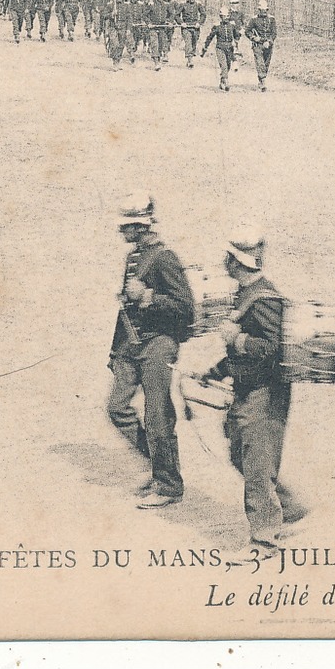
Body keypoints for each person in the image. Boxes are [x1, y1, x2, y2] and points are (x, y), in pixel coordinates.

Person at [203, 229, 307, 551]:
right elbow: (241, 352)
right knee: (240, 454)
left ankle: (263, 540)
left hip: (265, 393)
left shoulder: (264, 299)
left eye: (229, 257)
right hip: (248, 389)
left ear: (238, 262)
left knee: (257, 466)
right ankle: (288, 509)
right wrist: (215, 371)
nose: (224, 262)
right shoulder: (246, 293)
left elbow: (271, 349)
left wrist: (237, 339)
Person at [107, 194, 195, 510]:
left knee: (157, 416)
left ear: (139, 226)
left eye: (125, 227)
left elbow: (187, 310)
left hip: (159, 344)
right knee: (117, 408)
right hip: (131, 345)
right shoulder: (134, 257)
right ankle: (161, 469)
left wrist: (149, 297)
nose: (121, 232)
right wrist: (115, 354)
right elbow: (126, 311)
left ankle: (169, 485)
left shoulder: (164, 258)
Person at [201, 7, 243, 91]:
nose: (226, 18)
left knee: (228, 66)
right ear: (221, 16)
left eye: (227, 16)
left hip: (229, 48)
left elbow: (236, 35)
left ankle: (222, 81)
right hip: (220, 48)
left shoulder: (232, 25)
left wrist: (239, 34)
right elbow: (210, 37)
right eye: (224, 16)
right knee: (223, 65)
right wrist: (205, 47)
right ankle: (226, 81)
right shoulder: (217, 26)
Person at [245, 0, 276, 90]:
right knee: (260, 62)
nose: (263, 12)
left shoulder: (271, 19)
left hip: (268, 44)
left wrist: (269, 41)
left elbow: (274, 33)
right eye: (262, 10)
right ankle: (263, 80)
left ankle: (261, 79)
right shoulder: (254, 19)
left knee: (266, 63)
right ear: (259, 10)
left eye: (265, 10)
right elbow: (247, 31)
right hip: (257, 44)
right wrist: (254, 38)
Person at [178, 0, 205, 69]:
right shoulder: (183, 5)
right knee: (188, 42)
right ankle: (190, 60)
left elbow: (203, 14)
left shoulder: (198, 5)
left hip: (195, 27)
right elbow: (177, 15)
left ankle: (191, 56)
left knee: (194, 42)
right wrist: (181, 23)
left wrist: (199, 23)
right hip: (186, 27)